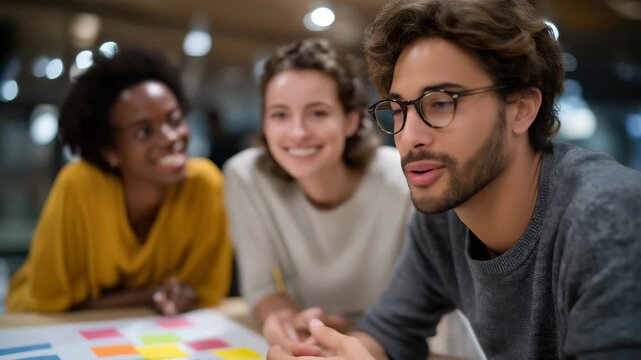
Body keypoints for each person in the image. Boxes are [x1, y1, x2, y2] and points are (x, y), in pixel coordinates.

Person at [267, 0, 641, 359]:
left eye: (441, 102)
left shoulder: (605, 216)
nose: (409, 136)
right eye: (398, 110)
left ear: (522, 108)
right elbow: (389, 334)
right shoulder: (445, 218)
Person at [7, 47, 233, 315]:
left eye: (174, 120)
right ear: (110, 151)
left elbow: (206, 291)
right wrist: (148, 296)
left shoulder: (205, 184)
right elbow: (50, 302)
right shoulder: (80, 185)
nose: (171, 137)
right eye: (144, 132)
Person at [223, 38, 413, 349]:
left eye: (318, 113)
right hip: (316, 341)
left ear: (351, 120)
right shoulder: (246, 177)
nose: (297, 132)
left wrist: (363, 338)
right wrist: (285, 321)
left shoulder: (402, 180)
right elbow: (261, 287)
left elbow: (422, 303)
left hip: (401, 342)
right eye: (280, 114)